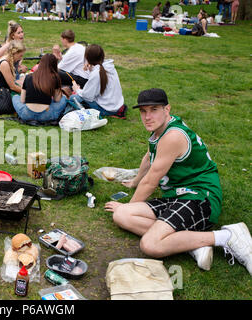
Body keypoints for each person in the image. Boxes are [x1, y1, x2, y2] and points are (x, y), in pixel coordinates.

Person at [104, 88, 252, 275]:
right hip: (178, 195)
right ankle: (191, 243)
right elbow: (149, 156)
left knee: (150, 244)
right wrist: (135, 181)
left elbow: (151, 182)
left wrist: (130, 205)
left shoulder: (172, 136)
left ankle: (227, 236)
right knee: (121, 216)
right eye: (143, 111)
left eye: (154, 109)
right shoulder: (161, 129)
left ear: (167, 109)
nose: (147, 116)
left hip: (200, 198)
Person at [70, 44, 127, 119]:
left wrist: (77, 89)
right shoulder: (109, 66)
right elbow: (97, 82)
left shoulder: (96, 73)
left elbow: (87, 96)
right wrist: (91, 70)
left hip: (108, 109)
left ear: (87, 58)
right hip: (118, 105)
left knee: (73, 98)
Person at [12, 54, 67, 122]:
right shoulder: (55, 78)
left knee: (15, 97)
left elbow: (22, 100)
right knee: (63, 98)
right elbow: (57, 100)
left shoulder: (28, 77)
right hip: (46, 115)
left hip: (26, 115)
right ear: (54, 65)